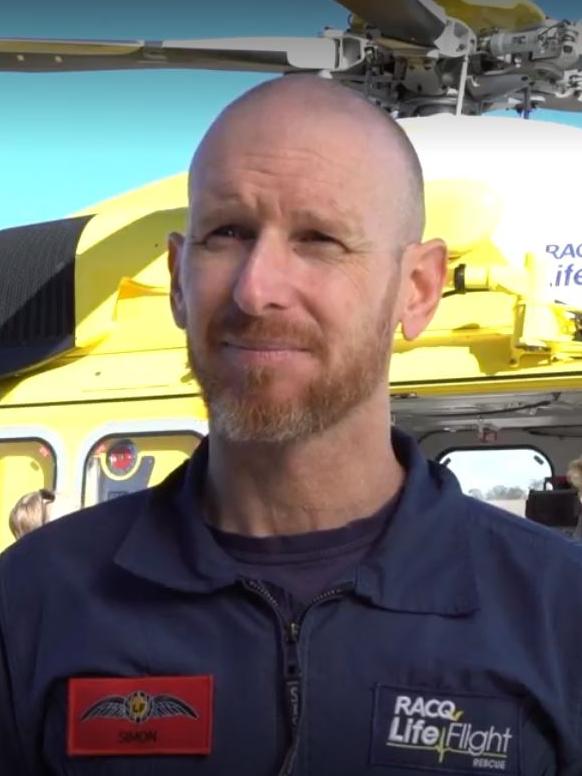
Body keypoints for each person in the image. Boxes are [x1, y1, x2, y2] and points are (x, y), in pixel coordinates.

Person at [1, 75, 582, 776]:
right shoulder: (36, 597)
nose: (257, 288)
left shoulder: (556, 611)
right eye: (228, 234)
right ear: (179, 279)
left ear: (419, 289)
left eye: (319, 239)